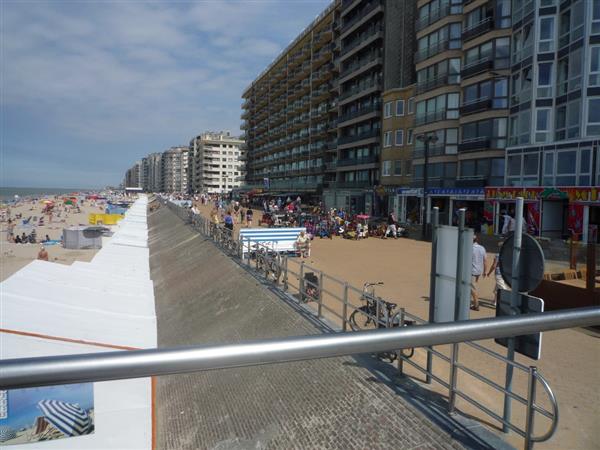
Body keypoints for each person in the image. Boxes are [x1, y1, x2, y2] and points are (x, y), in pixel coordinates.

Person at [486, 241, 509, 306]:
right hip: (505, 273)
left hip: (499, 274)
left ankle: (506, 302)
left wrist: (489, 273)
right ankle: (495, 301)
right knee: (497, 288)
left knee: (502, 288)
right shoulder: (508, 254)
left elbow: (494, 265)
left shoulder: (497, 255)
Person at [471, 234, 488, 311]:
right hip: (478, 271)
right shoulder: (482, 248)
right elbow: (485, 261)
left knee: (472, 288)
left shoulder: (470, 248)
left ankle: (476, 304)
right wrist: (485, 271)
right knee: (473, 286)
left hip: (471, 271)